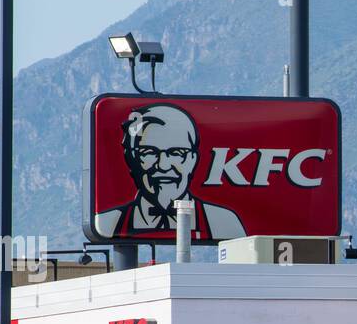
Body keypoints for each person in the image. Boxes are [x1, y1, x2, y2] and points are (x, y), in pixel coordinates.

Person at [94, 103, 245, 241]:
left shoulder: (223, 221)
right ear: (132, 158)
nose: (163, 165)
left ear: (193, 159)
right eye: (149, 152)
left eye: (177, 153)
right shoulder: (108, 223)